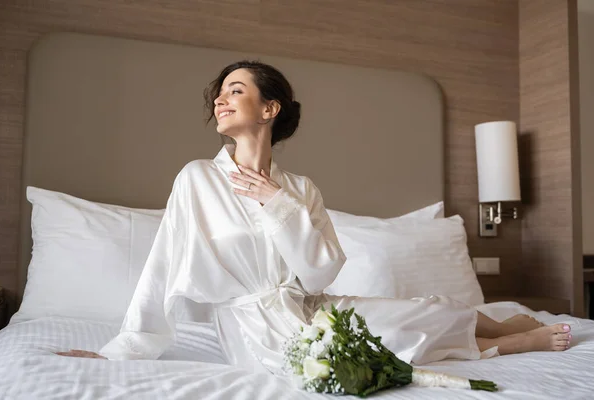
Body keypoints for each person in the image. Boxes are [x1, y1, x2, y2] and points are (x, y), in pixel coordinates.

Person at [57, 61, 572, 374]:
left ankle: (506, 325)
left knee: (419, 312)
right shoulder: (197, 179)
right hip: (254, 330)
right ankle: (514, 341)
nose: (221, 97)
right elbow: (162, 267)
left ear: (270, 108)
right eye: (220, 91)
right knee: (382, 349)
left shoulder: (301, 189)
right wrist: (121, 350)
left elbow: (322, 272)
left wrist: (278, 203)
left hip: (315, 305)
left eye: (236, 88)